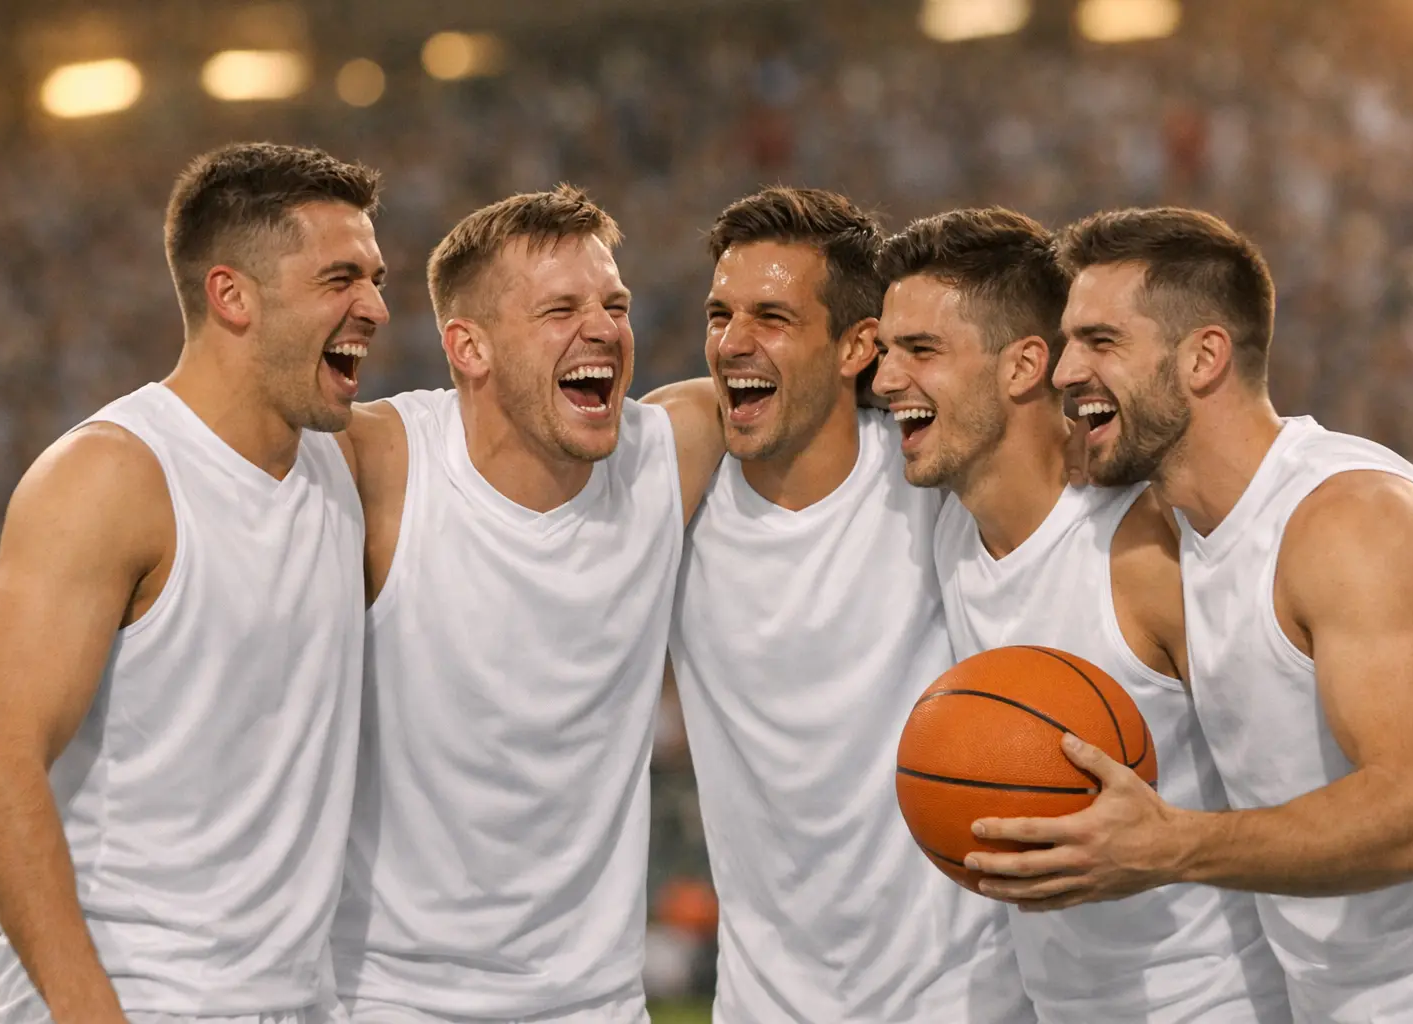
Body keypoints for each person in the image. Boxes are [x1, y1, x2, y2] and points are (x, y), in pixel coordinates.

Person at [965, 206, 1413, 1022]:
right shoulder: (1189, 532)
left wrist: (1170, 845)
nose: (1065, 371)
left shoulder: (1349, 517)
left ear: (1204, 356)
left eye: (1102, 342)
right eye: (1067, 343)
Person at [0, 142, 387, 1024]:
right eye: (340, 279)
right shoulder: (111, 475)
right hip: (132, 999)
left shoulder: (345, 464)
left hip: (298, 1003)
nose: (375, 307)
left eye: (376, 278)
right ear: (232, 295)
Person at [873, 207, 1290, 1022]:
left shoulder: (1149, 552)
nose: (886, 380)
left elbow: (1310, 792)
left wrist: (1171, 844)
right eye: (885, 351)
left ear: (1027, 364)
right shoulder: (954, 529)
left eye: (920, 352)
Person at [330, 185, 722, 1023]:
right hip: (390, 999)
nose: (604, 327)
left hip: (597, 1003)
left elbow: (812, 377)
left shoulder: (666, 453)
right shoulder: (378, 466)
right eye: (560, 308)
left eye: (613, 303)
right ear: (467, 346)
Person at [666, 187, 1034, 1022]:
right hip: (762, 1008)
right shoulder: (675, 496)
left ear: (855, 345)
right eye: (719, 314)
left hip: (963, 1006)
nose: (732, 342)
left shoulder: (938, 482)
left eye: (772, 316)